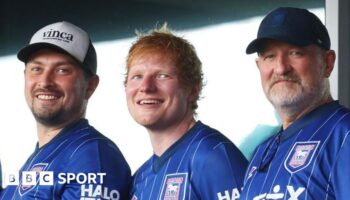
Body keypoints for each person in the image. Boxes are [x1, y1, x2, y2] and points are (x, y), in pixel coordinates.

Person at [0, 21, 131, 199]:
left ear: (90, 86)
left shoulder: (92, 156)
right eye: (36, 69)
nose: (45, 81)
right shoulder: (39, 158)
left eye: (62, 70)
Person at [124, 24, 248, 200]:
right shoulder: (140, 179)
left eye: (162, 76)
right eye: (137, 76)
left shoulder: (213, 157)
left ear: (192, 90)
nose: (145, 87)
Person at [240, 7, 350, 199]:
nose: (281, 68)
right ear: (259, 67)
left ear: (328, 62)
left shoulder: (344, 136)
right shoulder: (261, 153)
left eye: (295, 53)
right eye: (270, 56)